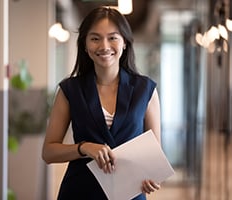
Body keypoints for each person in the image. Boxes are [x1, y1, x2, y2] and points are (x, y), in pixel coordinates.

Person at [42, 6, 161, 200]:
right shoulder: (70, 90)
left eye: (113, 37)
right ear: (85, 45)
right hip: (80, 192)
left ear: (124, 43)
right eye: (95, 38)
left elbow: (154, 157)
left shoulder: (145, 90)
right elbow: (48, 152)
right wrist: (84, 147)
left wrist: (152, 178)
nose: (104, 46)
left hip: (129, 194)